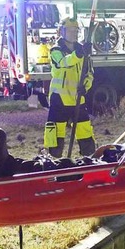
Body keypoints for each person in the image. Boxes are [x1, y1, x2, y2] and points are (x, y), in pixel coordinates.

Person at [43, 18, 96, 157]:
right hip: (59, 99)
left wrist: (85, 87)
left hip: (78, 98)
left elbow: (89, 73)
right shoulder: (56, 50)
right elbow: (64, 62)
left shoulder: (83, 51)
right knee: (56, 135)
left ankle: (89, 159)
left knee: (85, 132)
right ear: (62, 31)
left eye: (76, 30)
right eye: (70, 30)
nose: (74, 33)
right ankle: (54, 163)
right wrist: (79, 54)